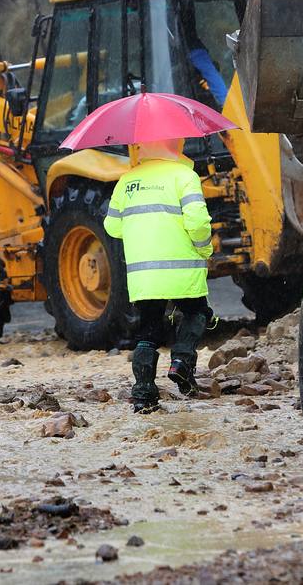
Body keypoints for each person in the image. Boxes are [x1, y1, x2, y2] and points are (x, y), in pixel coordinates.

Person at [103, 137, 214, 413]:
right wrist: (205, 249)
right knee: (196, 311)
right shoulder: (184, 176)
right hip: (183, 269)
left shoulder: (127, 181)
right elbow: (198, 223)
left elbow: (112, 227)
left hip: (144, 274)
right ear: (175, 144)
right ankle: (181, 363)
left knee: (148, 327)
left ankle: (143, 394)